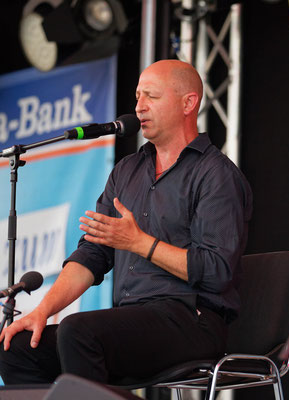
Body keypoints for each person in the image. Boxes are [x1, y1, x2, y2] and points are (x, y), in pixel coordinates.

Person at [0, 59, 253, 384]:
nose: (139, 107)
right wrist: (41, 311)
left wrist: (140, 243)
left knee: (80, 331)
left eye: (152, 97)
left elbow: (218, 272)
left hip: (192, 320)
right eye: (137, 97)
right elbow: (92, 254)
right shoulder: (127, 170)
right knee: (17, 347)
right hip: (131, 320)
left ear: (188, 103)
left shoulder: (216, 175)